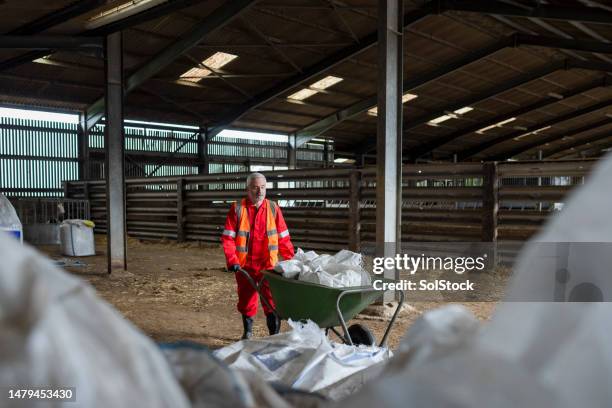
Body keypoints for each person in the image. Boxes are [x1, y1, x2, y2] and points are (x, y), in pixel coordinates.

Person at [221, 172, 295, 339]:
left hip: (269, 267)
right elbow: (228, 238)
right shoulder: (237, 209)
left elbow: (283, 237)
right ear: (248, 189)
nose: (259, 191)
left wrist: (290, 261)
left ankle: (274, 336)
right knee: (246, 301)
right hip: (244, 267)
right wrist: (232, 260)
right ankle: (247, 333)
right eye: (255, 187)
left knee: (271, 302)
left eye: (262, 187)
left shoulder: (274, 208)